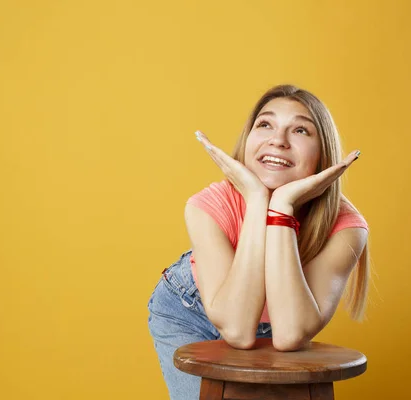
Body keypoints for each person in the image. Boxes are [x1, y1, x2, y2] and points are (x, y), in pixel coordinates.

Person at [146, 84, 370, 400]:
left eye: (301, 130)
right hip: (189, 311)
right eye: (265, 124)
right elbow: (236, 330)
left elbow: (290, 333)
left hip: (276, 327)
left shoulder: (346, 227)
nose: (278, 140)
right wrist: (255, 199)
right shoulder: (205, 206)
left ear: (323, 154)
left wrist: (281, 208)